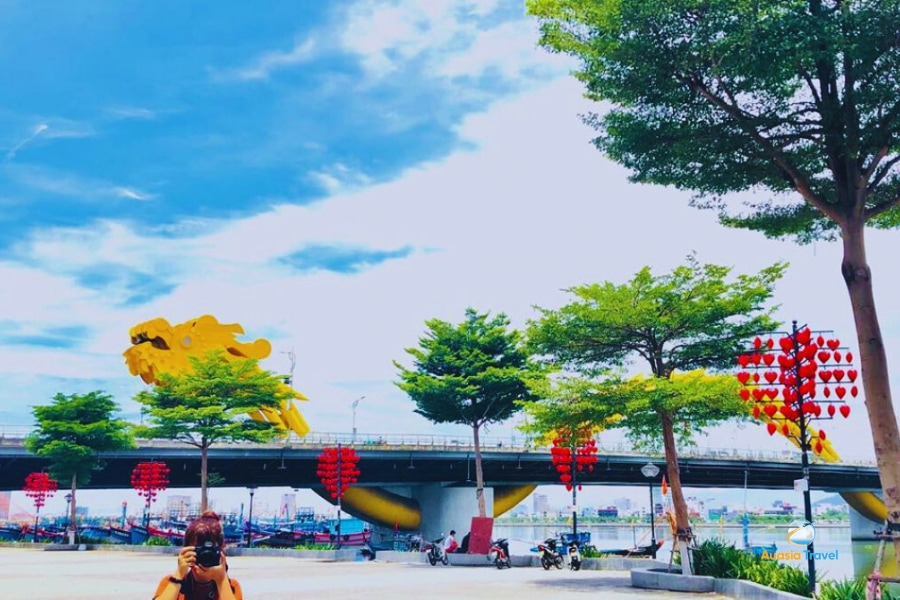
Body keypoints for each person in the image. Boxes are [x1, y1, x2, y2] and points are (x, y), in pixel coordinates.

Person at [153, 511, 242, 600]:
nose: (205, 555)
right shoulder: (172, 584)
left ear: (220, 552)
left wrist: (221, 580)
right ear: (186, 550)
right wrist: (179, 574)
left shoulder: (231, 587)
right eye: (199, 550)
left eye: (210, 551)